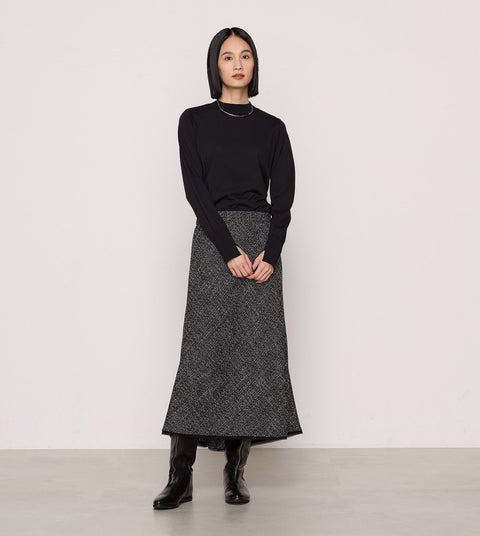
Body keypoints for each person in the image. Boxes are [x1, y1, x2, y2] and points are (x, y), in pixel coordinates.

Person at [153, 27, 303, 510]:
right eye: (227, 56)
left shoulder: (273, 127)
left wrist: (271, 254)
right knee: (202, 356)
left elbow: (284, 196)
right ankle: (180, 478)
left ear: (254, 65)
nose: (237, 64)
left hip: (260, 247)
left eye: (245, 56)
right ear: (214, 66)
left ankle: (235, 473)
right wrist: (226, 248)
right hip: (215, 241)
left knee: (251, 359)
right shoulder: (193, 121)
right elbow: (195, 189)